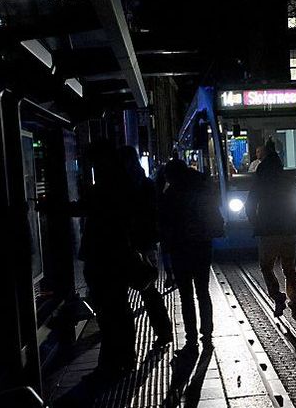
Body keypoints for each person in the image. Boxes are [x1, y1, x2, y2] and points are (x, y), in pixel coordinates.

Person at [76, 142, 138, 375]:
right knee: (118, 307)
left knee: (109, 309)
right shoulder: (122, 182)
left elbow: (86, 208)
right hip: (116, 254)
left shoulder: (106, 185)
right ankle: (124, 356)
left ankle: (114, 358)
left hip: (103, 256)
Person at [159, 157, 224, 349]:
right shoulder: (203, 186)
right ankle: (207, 331)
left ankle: (191, 337)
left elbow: (165, 227)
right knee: (203, 291)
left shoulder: (170, 195)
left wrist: (167, 261)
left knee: (186, 295)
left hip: (180, 249)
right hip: (203, 245)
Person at [246, 140, 296, 322]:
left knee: (266, 267)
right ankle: (295, 302)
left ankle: (277, 296)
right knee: (290, 270)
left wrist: (256, 223)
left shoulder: (261, 179)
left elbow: (249, 206)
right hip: (289, 231)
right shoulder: (288, 179)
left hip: (267, 233)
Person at [118, 146, 173, 347]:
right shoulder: (147, 184)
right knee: (149, 290)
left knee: (130, 293)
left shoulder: (121, 187)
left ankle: (127, 345)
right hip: (145, 243)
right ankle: (164, 331)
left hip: (128, 245)